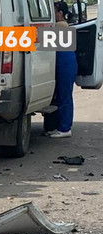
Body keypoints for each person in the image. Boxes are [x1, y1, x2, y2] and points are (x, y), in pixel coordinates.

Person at [43, 1, 77, 138]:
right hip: (63, 64)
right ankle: (59, 126)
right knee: (60, 96)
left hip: (65, 65)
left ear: (60, 13)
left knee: (64, 97)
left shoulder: (60, 26)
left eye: (53, 11)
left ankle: (65, 128)